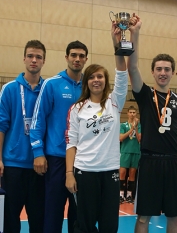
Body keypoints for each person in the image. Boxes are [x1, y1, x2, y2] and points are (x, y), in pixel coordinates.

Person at [127, 14, 177, 233]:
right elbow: (132, 67)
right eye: (158, 69)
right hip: (149, 163)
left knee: (175, 218)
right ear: (152, 72)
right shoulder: (145, 94)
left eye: (167, 69)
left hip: (173, 164)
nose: (163, 73)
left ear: (173, 72)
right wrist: (135, 33)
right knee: (142, 218)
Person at [65, 20, 129, 233]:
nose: (96, 80)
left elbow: (122, 73)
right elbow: (71, 143)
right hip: (85, 172)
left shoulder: (114, 102)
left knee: (109, 225)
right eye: (91, 76)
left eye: (100, 76)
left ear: (105, 80)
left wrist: (116, 43)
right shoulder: (77, 108)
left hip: (109, 172)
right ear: (86, 82)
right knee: (84, 224)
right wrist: (69, 173)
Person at [30, 40, 88, 233]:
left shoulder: (90, 87)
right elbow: (38, 121)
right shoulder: (51, 84)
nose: (77, 59)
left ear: (86, 59)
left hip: (82, 161)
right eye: (73, 55)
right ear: (66, 58)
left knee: (78, 215)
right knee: (52, 213)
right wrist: (38, 152)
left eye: (81, 56)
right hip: (56, 160)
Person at [0, 40, 46, 233]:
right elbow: (1, 125)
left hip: (41, 166)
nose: (34, 60)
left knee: (38, 220)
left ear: (44, 61)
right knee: (10, 220)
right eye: (30, 56)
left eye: (38, 57)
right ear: (24, 58)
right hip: (13, 166)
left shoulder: (48, 89)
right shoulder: (10, 89)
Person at [119, 105, 141, 204]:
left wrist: (135, 128)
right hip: (125, 151)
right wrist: (131, 129)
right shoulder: (123, 125)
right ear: (127, 113)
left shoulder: (140, 126)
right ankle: (120, 195)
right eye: (130, 112)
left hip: (136, 152)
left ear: (136, 114)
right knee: (122, 173)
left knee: (132, 174)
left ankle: (129, 196)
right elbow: (121, 138)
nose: (132, 114)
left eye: (134, 112)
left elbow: (139, 139)